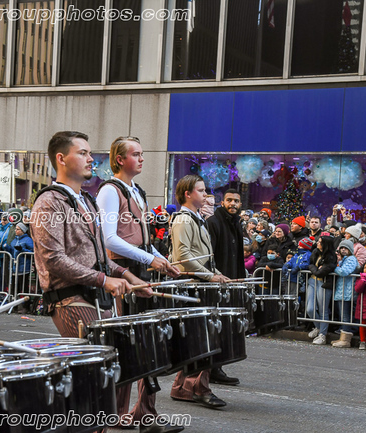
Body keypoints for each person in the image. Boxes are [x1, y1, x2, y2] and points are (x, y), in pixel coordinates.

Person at [30, 131, 161, 433]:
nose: (91, 159)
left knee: (104, 378)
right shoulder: (49, 202)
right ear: (61, 159)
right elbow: (53, 260)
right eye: (83, 153)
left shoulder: (86, 200)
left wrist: (125, 274)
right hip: (69, 298)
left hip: (96, 297)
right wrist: (104, 279)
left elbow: (99, 256)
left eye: (90, 153)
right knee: (95, 380)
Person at [95, 136, 181, 432]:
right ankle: (118, 413)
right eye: (136, 154)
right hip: (121, 273)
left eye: (142, 154)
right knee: (126, 344)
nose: (142, 158)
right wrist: (148, 258)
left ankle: (144, 412)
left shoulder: (137, 191)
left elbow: (143, 240)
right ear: (120, 159)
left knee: (146, 342)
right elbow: (108, 239)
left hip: (139, 270)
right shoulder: (109, 190)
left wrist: (162, 260)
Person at [169, 174, 230, 409]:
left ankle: (181, 387)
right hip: (193, 285)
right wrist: (210, 275)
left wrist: (217, 273)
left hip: (199, 283)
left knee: (196, 338)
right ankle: (198, 388)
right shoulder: (184, 219)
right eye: (201, 190)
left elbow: (204, 257)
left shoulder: (196, 218)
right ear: (187, 194)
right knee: (203, 338)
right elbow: (183, 257)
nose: (205, 194)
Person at [205, 188, 244, 385]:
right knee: (216, 327)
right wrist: (215, 276)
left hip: (232, 283)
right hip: (218, 284)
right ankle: (213, 369)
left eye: (236, 201)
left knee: (225, 328)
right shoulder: (214, 222)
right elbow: (209, 256)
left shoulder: (236, 223)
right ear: (223, 202)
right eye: (229, 200)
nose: (232, 204)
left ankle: (217, 367)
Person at [306, 236, 338, 345]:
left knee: (323, 309)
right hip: (312, 281)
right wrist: (315, 268)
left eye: (320, 242)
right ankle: (318, 327)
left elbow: (321, 272)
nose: (317, 243)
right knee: (310, 309)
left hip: (324, 283)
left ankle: (322, 334)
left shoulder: (331, 256)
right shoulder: (315, 252)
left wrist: (314, 269)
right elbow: (310, 265)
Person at [331, 240, 359, 348]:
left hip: (347, 291)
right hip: (341, 290)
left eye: (346, 248)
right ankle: (342, 338)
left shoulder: (351, 259)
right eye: (341, 248)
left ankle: (346, 340)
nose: (343, 250)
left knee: (346, 316)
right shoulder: (343, 259)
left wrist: (334, 267)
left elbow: (344, 272)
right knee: (343, 315)